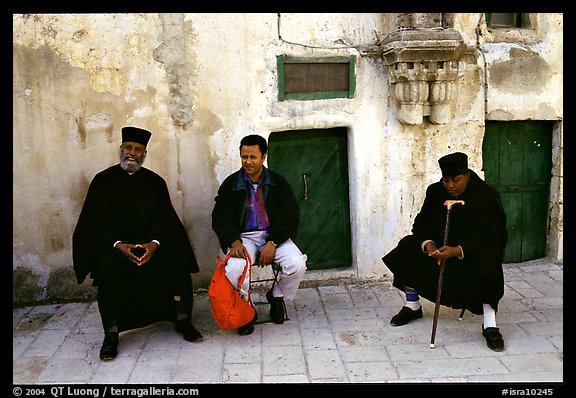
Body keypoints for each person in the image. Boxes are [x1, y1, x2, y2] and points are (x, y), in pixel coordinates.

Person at [73, 126, 203, 361]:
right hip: (116, 249)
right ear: (121, 149)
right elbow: (93, 225)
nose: (132, 153)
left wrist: (154, 244)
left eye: (138, 149)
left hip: (150, 247)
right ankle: (111, 334)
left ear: (144, 153)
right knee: (107, 263)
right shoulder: (102, 181)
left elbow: (166, 222)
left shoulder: (155, 182)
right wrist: (118, 245)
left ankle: (183, 320)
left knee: (175, 253)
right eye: (128, 148)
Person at [382, 152, 508, 352]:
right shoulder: (435, 192)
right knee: (407, 246)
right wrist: (430, 246)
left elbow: (494, 237)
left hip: (471, 252)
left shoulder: (487, 196)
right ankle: (412, 306)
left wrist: (458, 250)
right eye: (446, 180)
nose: (450, 185)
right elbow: (420, 225)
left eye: (456, 180)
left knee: (489, 259)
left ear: (466, 176)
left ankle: (490, 324)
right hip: (440, 250)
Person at [211, 134, 307, 335]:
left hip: (273, 236)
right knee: (235, 269)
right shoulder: (231, 184)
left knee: (297, 264)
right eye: (244, 156)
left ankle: (276, 295)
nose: (248, 161)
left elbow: (290, 216)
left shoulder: (277, 183)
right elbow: (220, 218)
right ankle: (245, 310)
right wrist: (233, 241)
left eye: (253, 157)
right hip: (243, 238)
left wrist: (273, 241)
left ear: (263, 156)